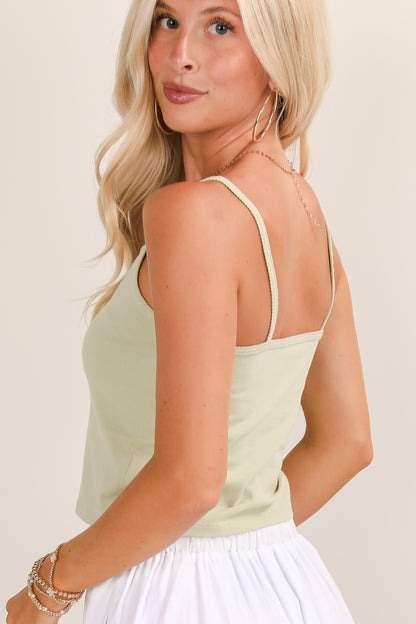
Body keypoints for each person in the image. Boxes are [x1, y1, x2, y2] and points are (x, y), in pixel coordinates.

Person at [6, 0, 373, 622]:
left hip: (170, 592)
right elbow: (347, 442)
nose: (181, 55)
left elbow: (191, 479)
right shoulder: (307, 213)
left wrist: (48, 587)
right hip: (286, 585)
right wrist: (240, 543)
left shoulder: (194, 215)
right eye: (167, 20)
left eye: (220, 27)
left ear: (279, 59)